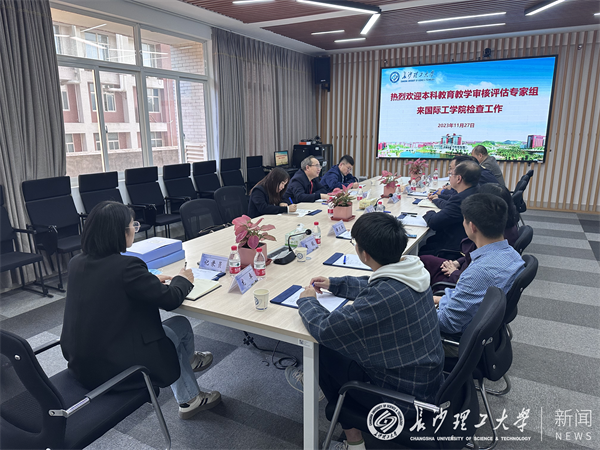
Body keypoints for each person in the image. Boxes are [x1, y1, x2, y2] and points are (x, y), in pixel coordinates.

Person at [286, 213, 444, 450]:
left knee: (324, 349)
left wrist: (307, 301)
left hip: (403, 401)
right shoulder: (413, 270)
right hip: (428, 382)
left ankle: (354, 442)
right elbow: (375, 284)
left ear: (364, 254)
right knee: (341, 348)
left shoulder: (383, 295)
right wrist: (335, 284)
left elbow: (327, 329)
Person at [60, 201, 221, 420]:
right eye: (132, 226)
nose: (135, 230)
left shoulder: (76, 263)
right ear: (119, 232)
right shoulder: (127, 267)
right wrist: (183, 279)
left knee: (180, 325)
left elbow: (110, 287)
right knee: (171, 337)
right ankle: (190, 397)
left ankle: (188, 360)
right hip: (116, 367)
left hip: (81, 362)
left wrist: (148, 281)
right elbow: (171, 300)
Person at [434, 194, 524, 352]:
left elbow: (447, 323)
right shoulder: (512, 255)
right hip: (484, 329)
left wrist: (418, 308)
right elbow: (471, 299)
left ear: (472, 226)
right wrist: (438, 300)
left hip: (455, 340)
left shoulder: (479, 272)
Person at [421, 183, 520, 286]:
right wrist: (458, 262)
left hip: (456, 280)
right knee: (424, 260)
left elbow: (469, 282)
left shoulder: (490, 239)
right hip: (463, 267)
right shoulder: (503, 230)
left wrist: (455, 273)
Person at [419, 160, 481, 256]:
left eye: (451, 174)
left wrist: (429, 212)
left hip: (453, 247)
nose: (449, 177)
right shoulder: (475, 190)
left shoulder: (461, 199)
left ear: (459, 178)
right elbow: (451, 203)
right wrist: (438, 198)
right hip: (467, 242)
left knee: (421, 250)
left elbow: (434, 222)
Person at [428, 155, 496, 208]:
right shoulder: (474, 177)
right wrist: (439, 196)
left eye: (451, 168)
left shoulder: (478, 177)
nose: (449, 172)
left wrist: (441, 194)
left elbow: (455, 204)